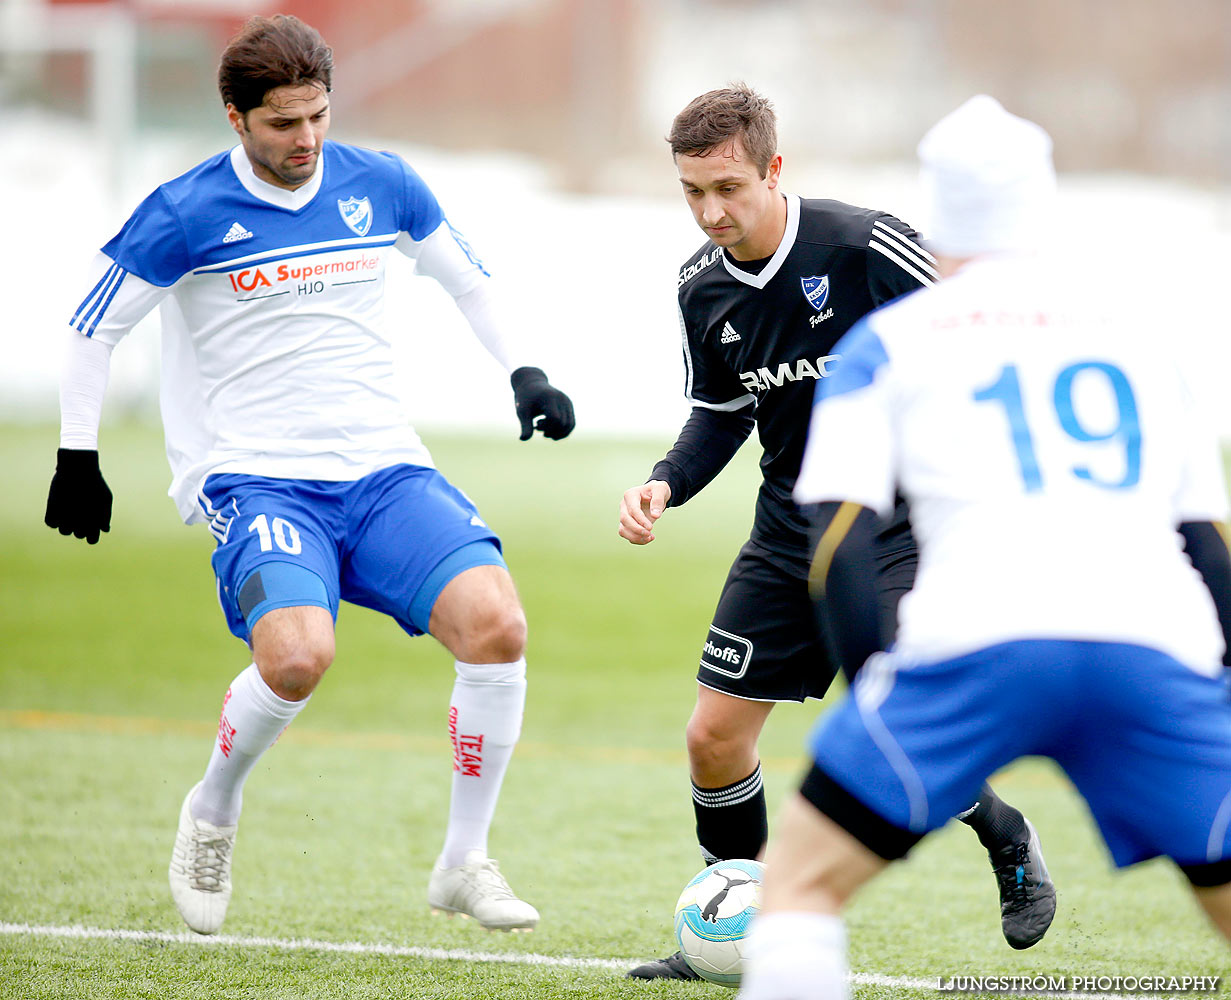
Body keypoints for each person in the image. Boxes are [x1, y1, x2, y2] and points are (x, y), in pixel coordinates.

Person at [44, 14, 574, 936]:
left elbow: (471, 282)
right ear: (235, 117)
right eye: (283, 123)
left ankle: (463, 861)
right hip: (257, 480)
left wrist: (525, 371)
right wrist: (76, 453)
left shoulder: (384, 184)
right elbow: (95, 326)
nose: (306, 140)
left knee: (498, 627)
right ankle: (212, 810)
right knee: (295, 657)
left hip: (383, 470)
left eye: (318, 116)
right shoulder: (185, 210)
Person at [738, 95, 1231, 1000]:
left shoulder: (883, 343)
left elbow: (840, 542)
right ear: (1041, 211)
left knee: (798, 888)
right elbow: (1209, 544)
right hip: (1151, 644)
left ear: (938, 219)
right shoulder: (1140, 345)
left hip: (975, 645)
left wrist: (874, 683)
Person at [618, 85, 1054, 980]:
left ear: (774, 169)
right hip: (787, 528)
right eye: (692, 192)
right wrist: (665, 481)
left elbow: (980, 333)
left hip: (896, 525)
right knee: (713, 738)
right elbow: (720, 412)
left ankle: (1002, 831)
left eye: (728, 188)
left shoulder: (863, 247)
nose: (710, 212)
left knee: (891, 713)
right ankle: (734, 919)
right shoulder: (700, 289)